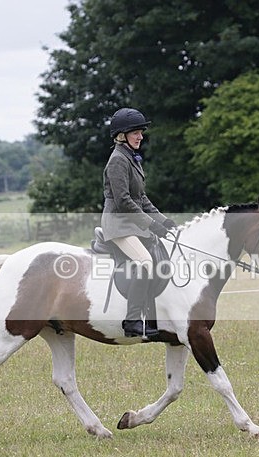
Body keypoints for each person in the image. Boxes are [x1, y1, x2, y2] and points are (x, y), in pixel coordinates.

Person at [101, 107, 177, 338]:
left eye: (141, 132)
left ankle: (154, 318)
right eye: (136, 132)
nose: (140, 136)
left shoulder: (131, 159)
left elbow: (141, 199)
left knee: (156, 256)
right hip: (119, 225)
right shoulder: (117, 161)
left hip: (131, 223)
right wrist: (152, 225)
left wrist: (165, 222)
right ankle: (132, 320)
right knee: (145, 262)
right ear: (122, 135)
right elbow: (124, 201)